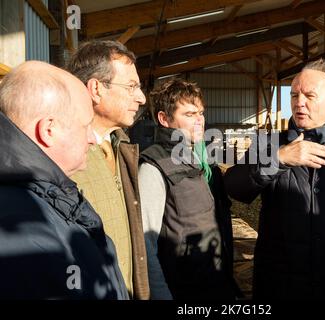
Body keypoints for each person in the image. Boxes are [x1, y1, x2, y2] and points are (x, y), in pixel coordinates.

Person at [224, 60, 325, 299]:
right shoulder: (268, 144)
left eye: (309, 95)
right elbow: (235, 187)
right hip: (282, 284)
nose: (298, 102)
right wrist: (279, 159)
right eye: (294, 95)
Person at [0, 61, 128, 299]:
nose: (94, 139)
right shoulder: (22, 228)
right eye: (86, 125)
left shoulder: (47, 199)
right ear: (49, 130)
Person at [138, 78, 236, 300]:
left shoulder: (202, 161)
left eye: (200, 113)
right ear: (164, 119)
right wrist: (161, 295)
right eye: (189, 115)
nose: (199, 120)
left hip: (214, 280)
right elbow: (145, 242)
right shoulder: (154, 167)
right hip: (183, 289)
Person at [67, 40, 150, 299]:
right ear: (96, 89)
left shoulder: (122, 146)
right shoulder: (65, 158)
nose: (142, 97)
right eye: (131, 86)